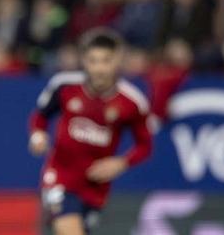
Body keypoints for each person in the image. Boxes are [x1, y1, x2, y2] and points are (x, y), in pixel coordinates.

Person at [28, 29, 152, 235]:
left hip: (94, 188)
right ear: (84, 60)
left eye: (106, 61)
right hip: (59, 176)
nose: (99, 68)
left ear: (117, 61)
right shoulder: (64, 86)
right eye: (93, 61)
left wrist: (121, 163)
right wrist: (38, 135)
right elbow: (40, 117)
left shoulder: (132, 102)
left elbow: (145, 146)